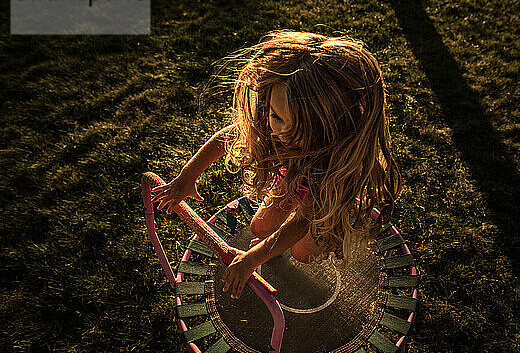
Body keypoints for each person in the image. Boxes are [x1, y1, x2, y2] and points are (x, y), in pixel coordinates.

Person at [150, 30, 402, 299]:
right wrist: (186, 178)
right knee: (259, 228)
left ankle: (330, 228)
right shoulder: (272, 126)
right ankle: (280, 225)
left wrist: (251, 259)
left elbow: (301, 221)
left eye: (300, 128)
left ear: (331, 128)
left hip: (322, 195)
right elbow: (228, 136)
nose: (282, 134)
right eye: (276, 116)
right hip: (291, 180)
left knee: (301, 253)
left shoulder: (331, 162)